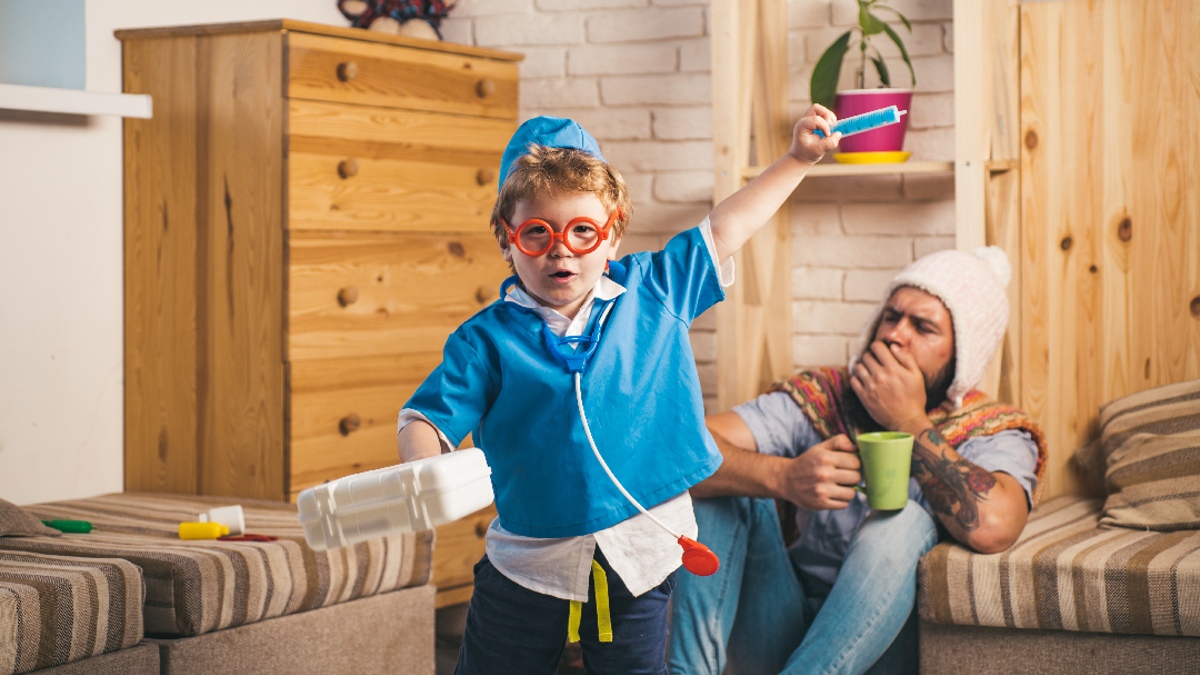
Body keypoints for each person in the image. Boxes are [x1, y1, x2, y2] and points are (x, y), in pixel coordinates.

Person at [397, 111, 842, 675]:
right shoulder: (484, 340)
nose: (562, 251)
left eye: (583, 231)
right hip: (530, 561)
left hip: (639, 553)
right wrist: (423, 468)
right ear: (507, 243)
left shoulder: (655, 289)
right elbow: (426, 417)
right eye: (538, 232)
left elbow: (726, 229)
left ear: (613, 235)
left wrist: (798, 159)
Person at [668, 248, 1048, 675]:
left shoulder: (991, 430)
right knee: (720, 485)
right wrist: (783, 477)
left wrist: (907, 419)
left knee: (902, 521)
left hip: (885, 646)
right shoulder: (824, 395)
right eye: (891, 316)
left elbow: (996, 525)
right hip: (781, 618)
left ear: (962, 354)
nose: (895, 334)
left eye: (923, 327)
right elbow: (680, 451)